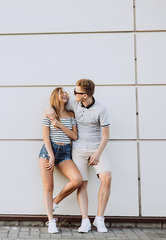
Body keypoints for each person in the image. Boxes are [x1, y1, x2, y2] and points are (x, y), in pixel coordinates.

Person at [47, 79, 112, 233]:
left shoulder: (101, 109)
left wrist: (97, 154)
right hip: (78, 149)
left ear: (85, 95)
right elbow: (56, 102)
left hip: (97, 148)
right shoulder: (74, 103)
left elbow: (106, 136)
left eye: (76, 92)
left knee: (107, 178)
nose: (73, 94)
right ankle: (85, 221)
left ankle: (99, 219)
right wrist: (48, 107)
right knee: (82, 183)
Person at [39, 87, 82, 234]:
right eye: (61, 92)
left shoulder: (71, 114)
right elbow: (45, 137)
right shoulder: (49, 113)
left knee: (77, 180)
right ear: (54, 96)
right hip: (48, 152)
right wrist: (51, 155)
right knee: (48, 187)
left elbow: (74, 136)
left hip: (64, 154)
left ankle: (55, 202)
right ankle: (51, 222)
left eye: (66, 92)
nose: (65, 94)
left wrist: (60, 124)